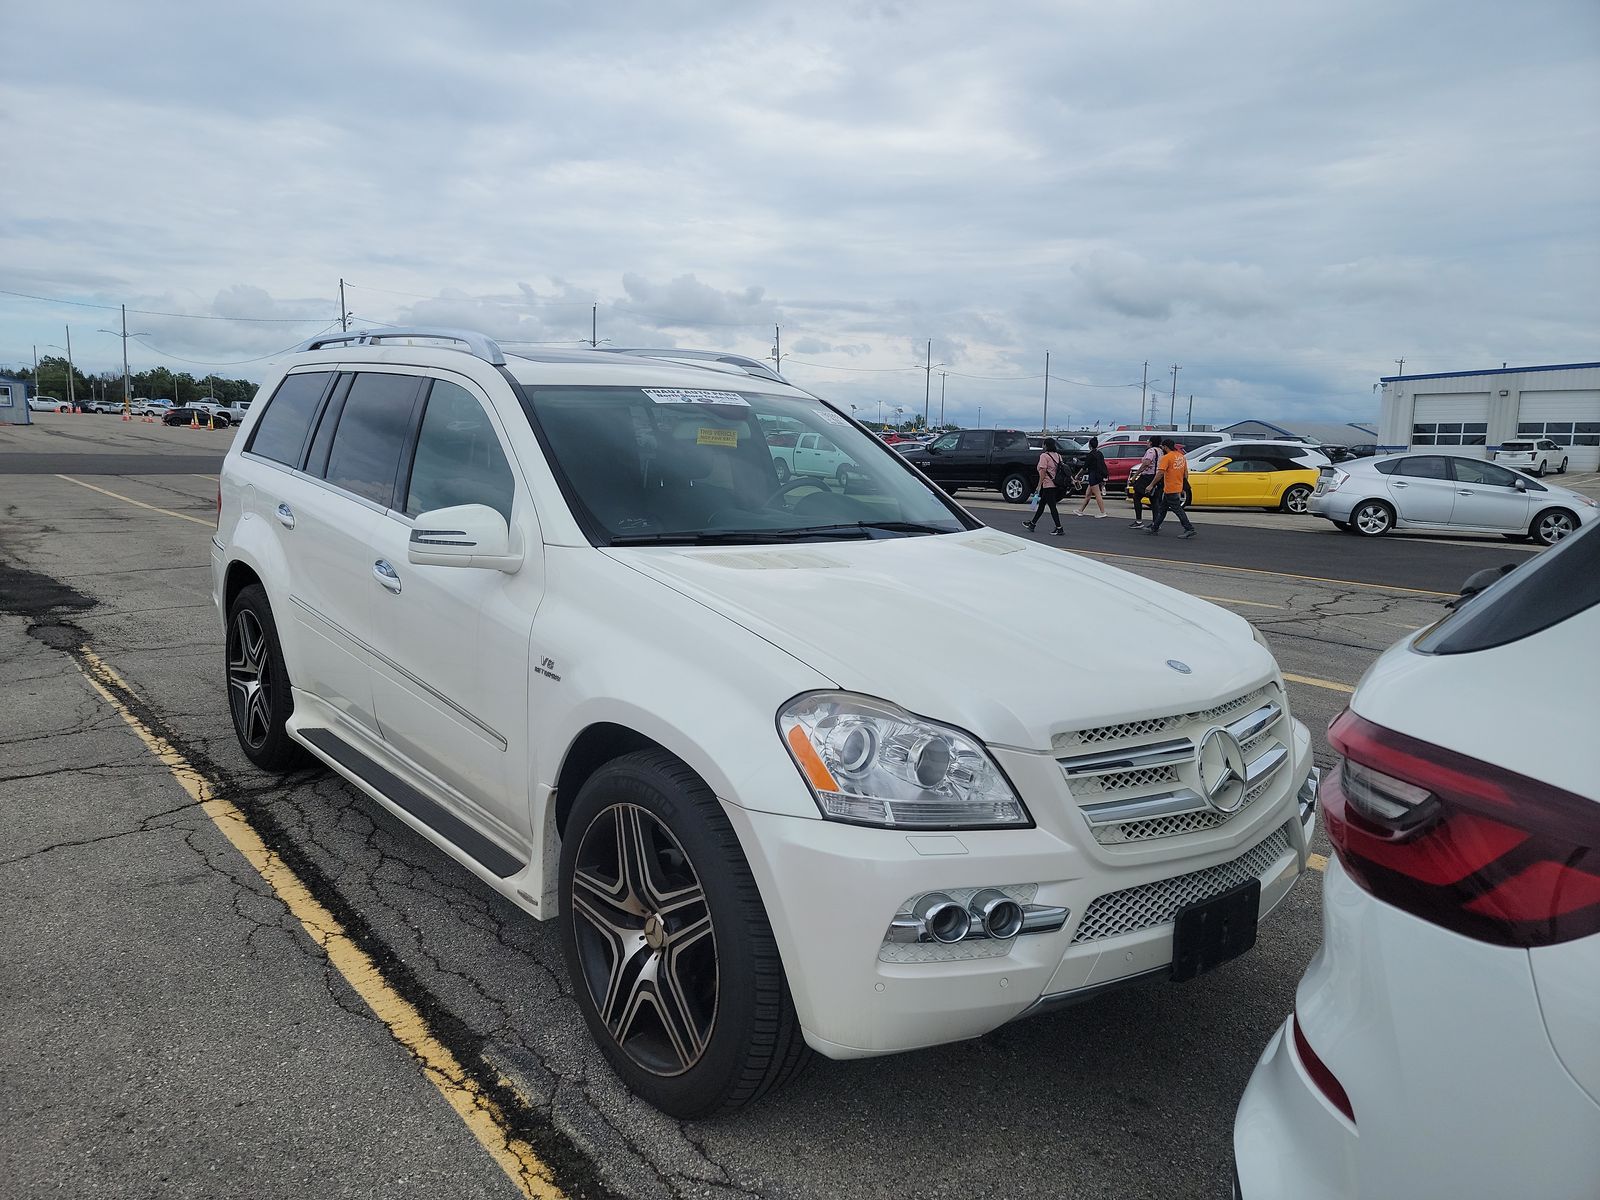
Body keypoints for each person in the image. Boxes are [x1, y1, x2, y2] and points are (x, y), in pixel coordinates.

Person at [1146, 437, 1196, 538]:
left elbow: (1160, 473)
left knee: (1177, 509)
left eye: (1163, 447)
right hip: (1177, 486)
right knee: (1162, 509)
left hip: (1170, 487)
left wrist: (1151, 485)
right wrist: (1183, 485)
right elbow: (1185, 473)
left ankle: (1189, 528)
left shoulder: (1166, 458)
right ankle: (1154, 527)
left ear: (1165, 447)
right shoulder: (1181, 456)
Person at [1023, 437, 1068, 535]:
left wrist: (1039, 486)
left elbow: (1042, 472)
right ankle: (1032, 524)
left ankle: (1059, 528)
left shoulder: (1044, 456)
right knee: (1042, 505)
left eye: (1044, 444)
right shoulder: (1058, 456)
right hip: (1056, 484)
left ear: (1046, 445)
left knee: (1052, 507)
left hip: (1048, 485)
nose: (1043, 446)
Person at [1128, 434, 1162, 528]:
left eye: (1148, 441)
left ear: (1151, 442)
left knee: (1137, 497)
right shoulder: (1160, 451)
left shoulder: (1151, 451)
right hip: (1156, 476)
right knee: (1154, 500)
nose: (1147, 443)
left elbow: (1146, 463)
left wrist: (1135, 475)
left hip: (1147, 476)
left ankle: (1138, 521)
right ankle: (1155, 523)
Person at [1075, 436, 1109, 517]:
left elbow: (1084, 467)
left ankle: (1103, 512)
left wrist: (1077, 475)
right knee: (1088, 495)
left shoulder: (1090, 455)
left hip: (1093, 476)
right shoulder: (1099, 453)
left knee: (1097, 494)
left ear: (1090, 445)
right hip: (1099, 475)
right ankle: (1080, 510)